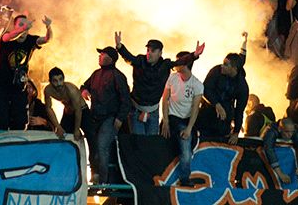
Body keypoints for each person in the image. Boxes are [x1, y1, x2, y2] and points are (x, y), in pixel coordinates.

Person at [115, 33, 204, 135]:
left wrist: (194, 55)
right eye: (148, 50)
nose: (149, 53)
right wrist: (119, 47)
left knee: (152, 143)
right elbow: (129, 57)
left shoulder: (165, 65)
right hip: (136, 110)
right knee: (139, 142)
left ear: (160, 53)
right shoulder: (139, 61)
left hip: (153, 111)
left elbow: (179, 62)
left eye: (153, 51)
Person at [81, 46, 131, 183]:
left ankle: (103, 180)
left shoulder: (118, 76)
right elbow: (84, 85)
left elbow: (126, 100)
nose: (99, 56)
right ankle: (96, 176)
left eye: (102, 54)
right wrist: (84, 91)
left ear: (109, 58)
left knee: (102, 146)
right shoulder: (96, 74)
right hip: (95, 118)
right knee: (94, 146)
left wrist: (120, 118)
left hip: (110, 118)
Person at [0, 14, 52, 130]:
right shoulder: (7, 37)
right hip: (2, 86)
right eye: (20, 24)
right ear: (14, 26)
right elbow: (7, 37)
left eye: (26, 25)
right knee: (1, 121)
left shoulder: (30, 40)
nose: (24, 27)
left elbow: (46, 39)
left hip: (19, 87)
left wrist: (49, 27)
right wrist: (23, 28)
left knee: (20, 121)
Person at [160, 50, 204, 187]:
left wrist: (189, 128)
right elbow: (165, 99)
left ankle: (184, 178)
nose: (176, 64)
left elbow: (196, 108)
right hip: (172, 117)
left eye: (179, 62)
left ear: (185, 65)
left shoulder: (197, 84)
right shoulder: (172, 78)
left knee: (186, 150)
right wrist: (165, 120)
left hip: (186, 121)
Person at [197, 51, 249, 143]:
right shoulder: (216, 71)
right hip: (206, 114)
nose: (222, 66)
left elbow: (239, 110)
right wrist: (217, 104)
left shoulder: (242, 86)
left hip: (224, 121)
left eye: (225, 64)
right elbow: (205, 89)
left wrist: (236, 132)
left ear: (234, 68)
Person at [262, 118, 298, 184]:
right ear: (279, 129)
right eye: (286, 132)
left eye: (292, 132)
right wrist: (280, 174)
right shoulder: (271, 131)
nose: (290, 135)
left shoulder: (295, 131)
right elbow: (268, 149)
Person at [43, 67, 87, 139]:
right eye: (55, 81)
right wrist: (58, 126)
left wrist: (76, 129)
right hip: (68, 111)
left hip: (82, 110)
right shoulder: (48, 90)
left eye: (61, 79)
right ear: (50, 81)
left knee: (90, 135)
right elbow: (48, 108)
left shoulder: (71, 89)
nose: (59, 83)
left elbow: (78, 110)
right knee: (62, 134)